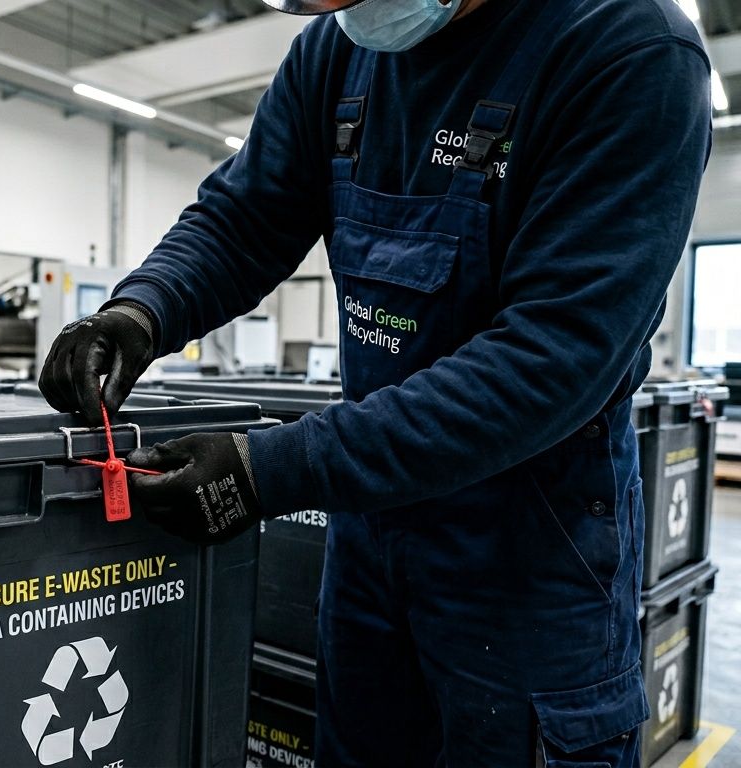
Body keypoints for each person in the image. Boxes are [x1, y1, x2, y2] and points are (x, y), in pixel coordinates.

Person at [38, 0, 714, 764]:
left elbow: (552, 359)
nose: (343, 12)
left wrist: (271, 469)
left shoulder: (630, 51)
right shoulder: (334, 53)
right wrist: (141, 311)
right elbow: (246, 219)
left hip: (529, 560)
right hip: (371, 537)